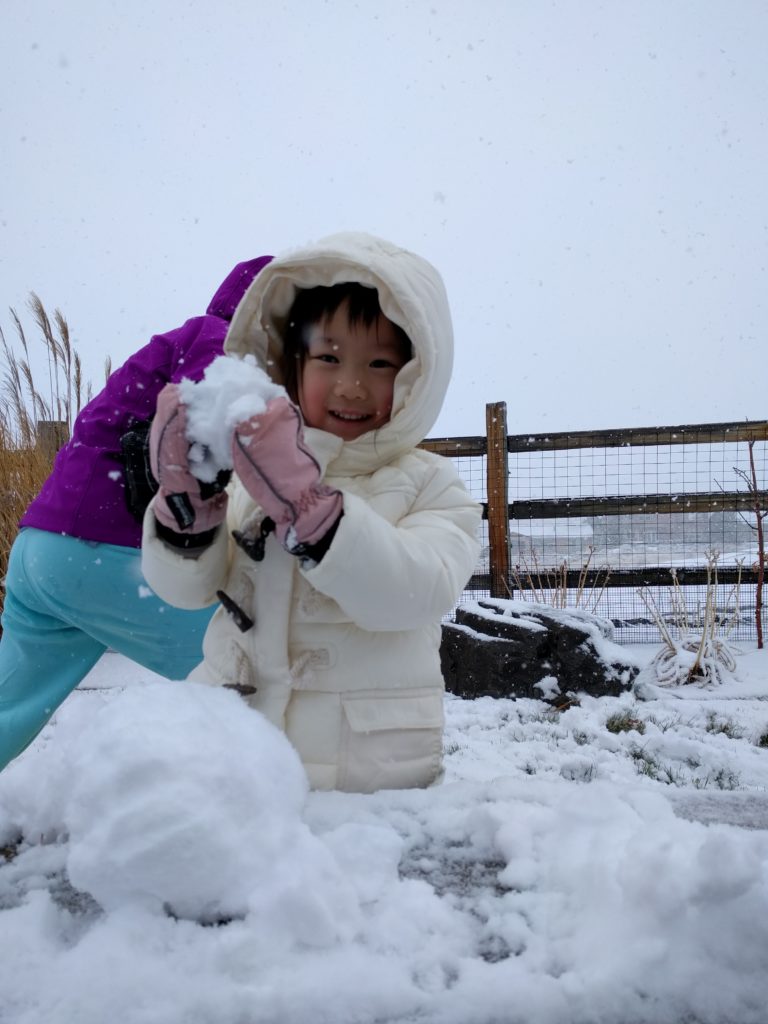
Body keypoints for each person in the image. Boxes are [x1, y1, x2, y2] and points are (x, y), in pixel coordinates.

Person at [141, 232, 482, 793]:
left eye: (379, 363)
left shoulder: (431, 483)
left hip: (360, 778)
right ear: (289, 364)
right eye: (328, 357)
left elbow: (416, 591)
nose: (351, 385)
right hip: (232, 757)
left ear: (418, 376)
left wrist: (313, 512)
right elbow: (187, 592)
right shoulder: (249, 479)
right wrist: (186, 508)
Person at [0, 255, 273, 771]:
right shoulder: (223, 341)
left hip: (43, 550)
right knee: (249, 663)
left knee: (5, 710)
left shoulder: (187, 337)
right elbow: (210, 434)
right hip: (106, 551)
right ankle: (274, 807)